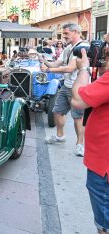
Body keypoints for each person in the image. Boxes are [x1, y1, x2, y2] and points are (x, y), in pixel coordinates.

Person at [71, 47, 109, 234]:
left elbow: (78, 100)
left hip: (104, 166)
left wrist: (84, 68)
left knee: (104, 226)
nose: (103, 53)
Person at [40, 23, 85, 156]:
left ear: (76, 32)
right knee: (57, 112)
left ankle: (79, 145)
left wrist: (49, 69)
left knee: (78, 117)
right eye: (63, 34)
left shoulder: (82, 47)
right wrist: (44, 60)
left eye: (66, 34)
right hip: (67, 85)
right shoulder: (68, 48)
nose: (64, 37)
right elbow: (56, 63)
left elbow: (70, 68)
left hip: (78, 87)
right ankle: (60, 136)